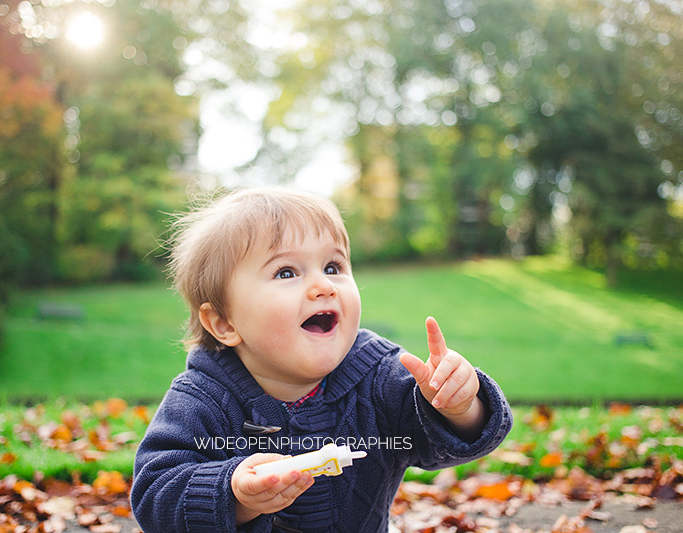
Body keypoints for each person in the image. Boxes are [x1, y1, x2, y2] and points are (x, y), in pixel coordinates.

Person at [131, 188, 513, 532]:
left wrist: (460, 407)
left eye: (333, 267)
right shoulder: (204, 398)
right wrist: (234, 494)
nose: (324, 286)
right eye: (286, 272)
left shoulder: (376, 374)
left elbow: (444, 441)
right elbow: (153, 494)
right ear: (224, 322)